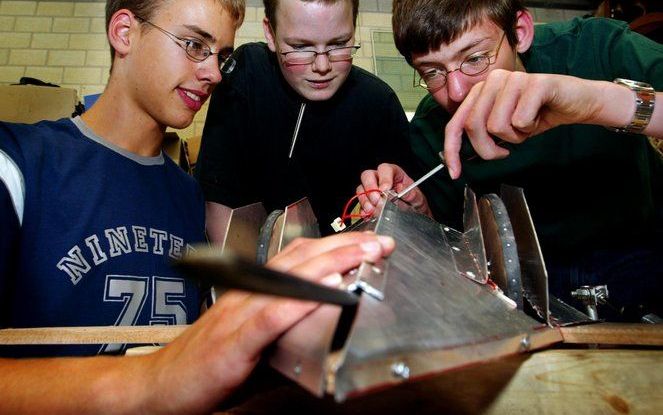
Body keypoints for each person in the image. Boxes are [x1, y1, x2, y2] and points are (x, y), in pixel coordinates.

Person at [0, 0, 396, 412]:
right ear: (124, 33)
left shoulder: (187, 198)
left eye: (221, 56)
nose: (213, 74)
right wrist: (154, 381)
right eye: (193, 44)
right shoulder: (16, 165)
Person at [359, 0, 662, 319]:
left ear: (520, 32)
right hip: (527, 295)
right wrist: (421, 214)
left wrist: (595, 102)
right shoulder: (430, 128)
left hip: (644, 261)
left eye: (475, 58)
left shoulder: (594, 47)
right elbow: (457, 251)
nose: (458, 92)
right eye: (432, 72)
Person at [195, 0, 423, 236]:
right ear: (271, 34)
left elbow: (412, 215)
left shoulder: (380, 103)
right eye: (301, 47)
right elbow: (218, 198)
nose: (322, 66)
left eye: (339, 44)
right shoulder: (247, 73)